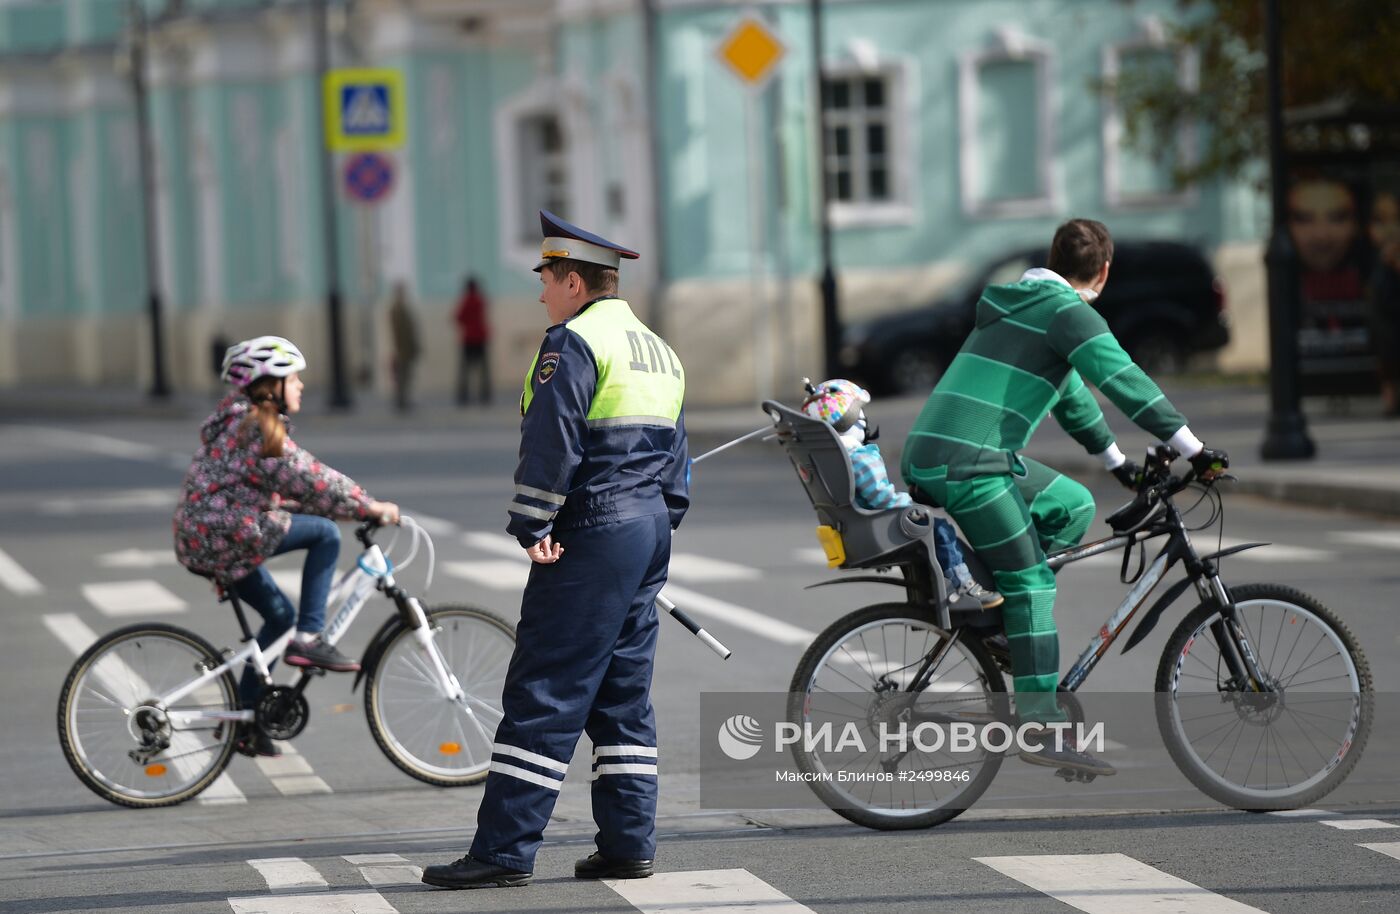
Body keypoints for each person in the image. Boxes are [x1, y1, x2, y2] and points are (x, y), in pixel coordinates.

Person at [900, 219, 1228, 776]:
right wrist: (1194, 449)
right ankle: (1039, 726)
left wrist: (1116, 463)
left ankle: (1001, 622)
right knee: (1031, 581)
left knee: (1071, 504)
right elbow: (1123, 378)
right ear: (1103, 271)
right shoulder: (1068, 313)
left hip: (943, 452)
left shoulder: (1024, 306)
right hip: (970, 464)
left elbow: (1073, 397)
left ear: (1053, 259)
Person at [422, 211, 687, 890]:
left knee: (545, 685)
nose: (541, 293)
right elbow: (676, 464)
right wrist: (656, 526)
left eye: (546, 280)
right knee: (623, 693)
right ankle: (629, 844)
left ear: (573, 281)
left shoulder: (571, 344)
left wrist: (533, 522)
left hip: (594, 526)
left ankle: (503, 851)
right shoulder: (659, 349)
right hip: (647, 526)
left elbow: (553, 440)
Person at [174, 336, 400, 757]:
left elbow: (287, 490)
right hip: (222, 535)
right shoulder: (259, 426)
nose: (299, 385)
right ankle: (310, 638)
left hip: (214, 535)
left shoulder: (243, 423)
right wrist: (367, 505)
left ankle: (245, 723)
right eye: (293, 377)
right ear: (269, 384)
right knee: (324, 534)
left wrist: (347, 507)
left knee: (279, 616)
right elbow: (310, 477)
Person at [800, 377, 1002, 610]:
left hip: (859, 527)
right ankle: (963, 587)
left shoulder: (831, 459)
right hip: (878, 525)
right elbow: (882, 497)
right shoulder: (860, 458)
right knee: (941, 529)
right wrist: (910, 504)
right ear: (850, 419)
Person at [1366, 188, 1400, 416]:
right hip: (1384, 312)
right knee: (1387, 360)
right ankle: (1390, 402)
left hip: (1394, 307)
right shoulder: (1374, 252)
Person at [454, 275, 492, 405]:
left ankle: (463, 396)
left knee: (465, 370)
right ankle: (484, 395)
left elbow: (458, 317)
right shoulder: (480, 300)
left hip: (468, 339)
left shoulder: (465, 301)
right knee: (483, 370)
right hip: (480, 338)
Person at [388, 282, 420, 412]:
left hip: (407, 347)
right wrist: (399, 347)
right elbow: (399, 331)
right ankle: (401, 400)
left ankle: (403, 399)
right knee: (402, 375)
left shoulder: (402, 308)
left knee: (406, 375)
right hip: (402, 347)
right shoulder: (396, 309)